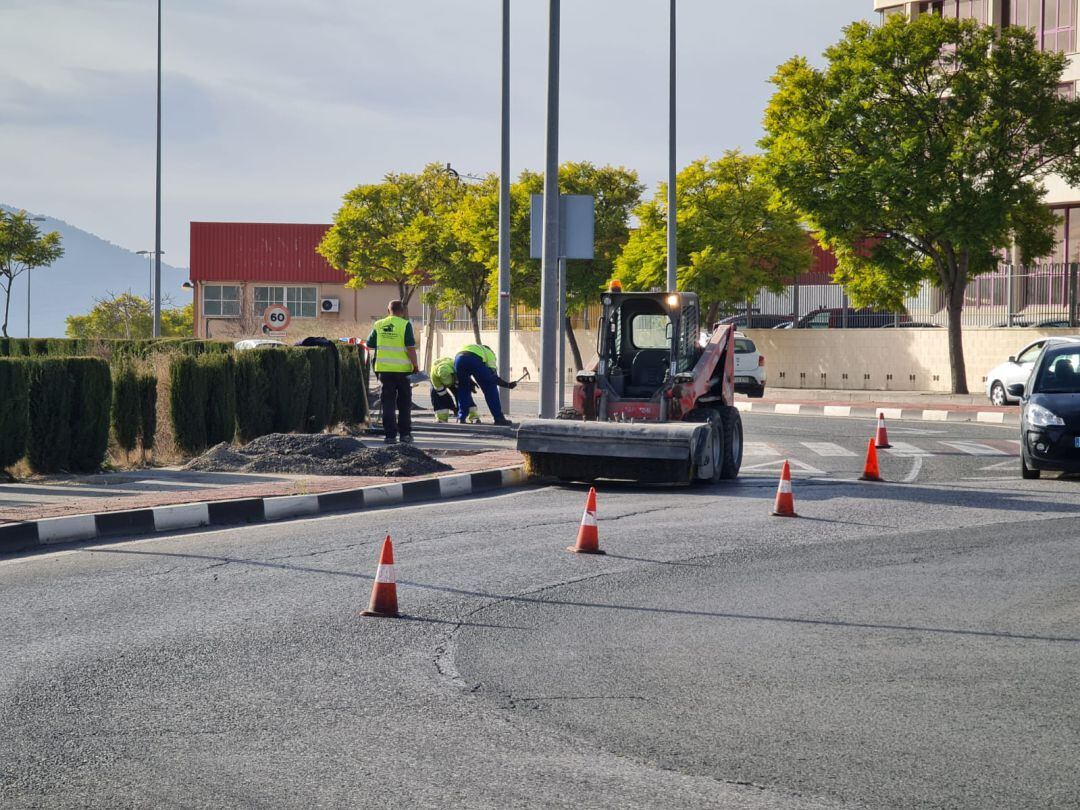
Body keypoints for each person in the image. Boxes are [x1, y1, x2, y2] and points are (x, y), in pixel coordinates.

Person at [366, 300, 419, 444]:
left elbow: (369, 343)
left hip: (384, 371)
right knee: (404, 403)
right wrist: (415, 365)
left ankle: (390, 436)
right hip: (403, 372)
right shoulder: (405, 324)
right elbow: (410, 347)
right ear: (402, 311)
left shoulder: (379, 324)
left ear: (388, 310)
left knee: (388, 403)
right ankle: (405, 435)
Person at [453, 343, 516, 426]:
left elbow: (466, 361)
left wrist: (470, 381)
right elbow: (494, 377)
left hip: (458, 359)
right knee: (490, 387)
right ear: (491, 350)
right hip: (474, 360)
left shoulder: (473, 347)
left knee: (463, 388)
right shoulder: (489, 354)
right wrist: (507, 385)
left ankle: (461, 417)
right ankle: (499, 418)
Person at [429, 356, 458, 422]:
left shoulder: (456, 368)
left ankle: (471, 416)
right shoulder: (434, 377)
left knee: (462, 392)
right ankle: (441, 418)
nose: (447, 385)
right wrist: (453, 407)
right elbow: (443, 395)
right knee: (435, 393)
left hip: (454, 377)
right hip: (439, 380)